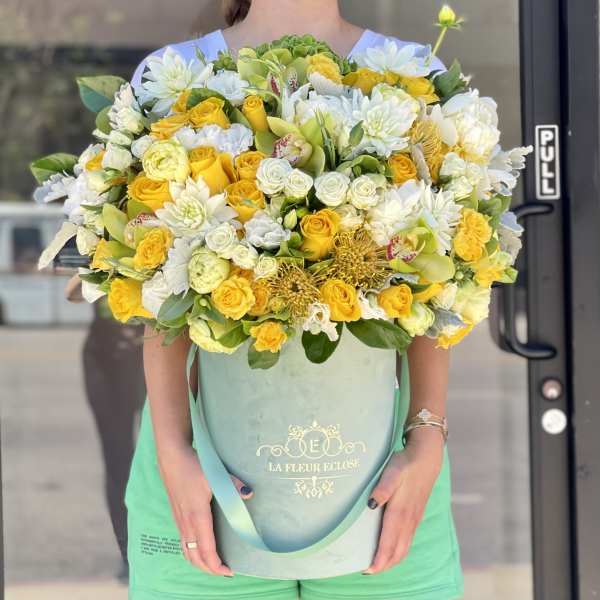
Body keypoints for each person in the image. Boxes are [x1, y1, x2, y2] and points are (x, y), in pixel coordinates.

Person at [125, 1, 464, 598]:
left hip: (383, 469)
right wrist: (173, 453)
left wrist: (427, 436)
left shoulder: (414, 73)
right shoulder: (168, 75)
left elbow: (436, 287)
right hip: (203, 465)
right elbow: (158, 290)